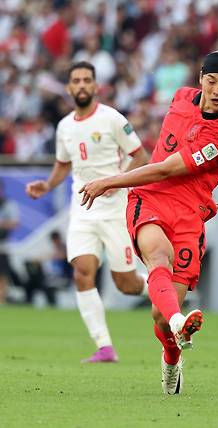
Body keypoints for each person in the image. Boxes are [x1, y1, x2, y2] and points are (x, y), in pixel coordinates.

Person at [79, 50, 218, 394]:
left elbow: (169, 167)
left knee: (158, 314)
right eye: (211, 81)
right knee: (157, 256)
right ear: (200, 78)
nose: (216, 90)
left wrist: (108, 180)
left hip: (189, 215)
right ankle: (181, 321)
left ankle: (172, 351)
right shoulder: (181, 97)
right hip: (149, 198)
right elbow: (163, 165)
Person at [26, 61, 150, 363]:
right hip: (82, 209)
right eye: (76, 81)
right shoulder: (65, 125)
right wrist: (48, 184)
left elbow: (140, 156)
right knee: (82, 273)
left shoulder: (111, 119)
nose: (81, 86)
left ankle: (163, 286)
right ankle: (105, 346)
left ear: (95, 87)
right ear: (69, 88)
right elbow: (64, 163)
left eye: (86, 81)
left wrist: (114, 182)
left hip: (115, 208)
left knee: (127, 284)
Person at [0, 179, 19, 304]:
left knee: (2, 273)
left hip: (2, 245)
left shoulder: (8, 204)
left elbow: (14, 223)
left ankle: (1, 299)